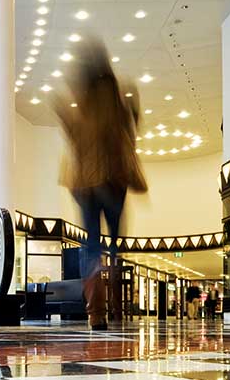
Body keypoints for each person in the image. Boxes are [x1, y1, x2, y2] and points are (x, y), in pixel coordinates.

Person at [52, 35, 147, 330]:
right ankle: (117, 305)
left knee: (91, 245)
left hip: (84, 182)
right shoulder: (114, 96)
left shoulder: (83, 100)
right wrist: (133, 112)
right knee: (115, 243)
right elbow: (126, 137)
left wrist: (65, 115)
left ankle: (96, 312)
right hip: (113, 179)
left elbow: (77, 139)